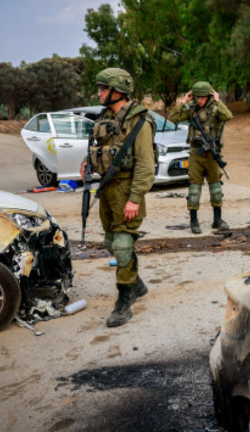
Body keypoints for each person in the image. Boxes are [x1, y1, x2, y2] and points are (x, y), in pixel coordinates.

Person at [82, 68, 155, 327]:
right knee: (111, 242)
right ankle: (136, 283)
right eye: (100, 88)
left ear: (117, 92)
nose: (99, 93)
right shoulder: (105, 118)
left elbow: (146, 164)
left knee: (123, 245)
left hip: (127, 190)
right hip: (107, 190)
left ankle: (124, 300)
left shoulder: (139, 122)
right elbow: (98, 149)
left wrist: (135, 198)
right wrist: (86, 163)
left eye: (103, 89)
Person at [168, 81, 233, 234]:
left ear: (208, 96)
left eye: (202, 97)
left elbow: (228, 116)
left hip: (211, 153)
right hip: (195, 153)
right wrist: (184, 101)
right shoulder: (192, 110)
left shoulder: (215, 109)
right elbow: (173, 117)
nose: (199, 100)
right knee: (194, 190)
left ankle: (217, 220)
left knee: (216, 189)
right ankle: (194, 221)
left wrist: (218, 100)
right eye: (196, 97)